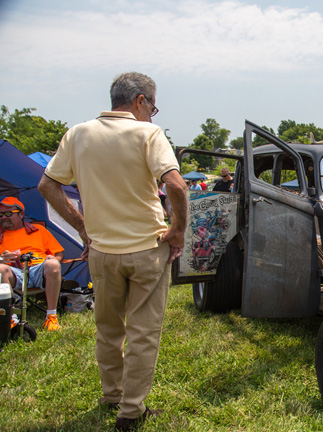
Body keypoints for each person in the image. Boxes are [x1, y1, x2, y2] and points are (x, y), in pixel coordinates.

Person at [38, 72, 188, 431]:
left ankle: (112, 395)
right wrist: (179, 230)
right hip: (146, 249)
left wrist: (80, 225)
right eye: (152, 105)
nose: (152, 113)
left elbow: (47, 184)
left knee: (108, 329)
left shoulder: (78, 134)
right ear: (139, 101)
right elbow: (176, 184)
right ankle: (131, 410)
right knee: (142, 332)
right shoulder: (148, 133)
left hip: (102, 252)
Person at [0, 197, 63, 331]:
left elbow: (59, 254)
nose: (4, 217)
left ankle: (51, 316)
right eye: (1, 214)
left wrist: (53, 259)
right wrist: (1, 259)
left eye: (9, 213)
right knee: (0, 269)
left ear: (21, 214)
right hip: (13, 273)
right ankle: (12, 319)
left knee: (53, 264)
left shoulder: (38, 230)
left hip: (39, 269)